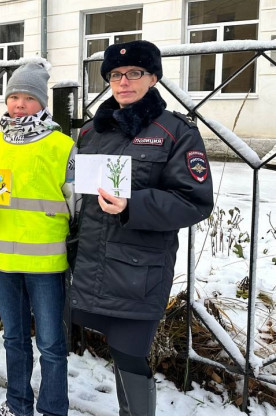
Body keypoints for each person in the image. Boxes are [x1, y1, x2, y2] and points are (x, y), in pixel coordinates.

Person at [69, 40, 214, 416]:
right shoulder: (91, 132)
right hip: (92, 266)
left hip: (139, 270)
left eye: (134, 73)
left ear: (153, 77)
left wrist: (134, 205)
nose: (124, 81)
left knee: (131, 357)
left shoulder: (174, 131)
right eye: (115, 75)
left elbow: (194, 200)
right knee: (116, 354)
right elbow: (79, 195)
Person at [0, 61, 73, 416]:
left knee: (50, 344)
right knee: (14, 340)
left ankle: (53, 410)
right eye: (13, 96)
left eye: (27, 98)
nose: (18, 104)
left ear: (42, 104)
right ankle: (18, 406)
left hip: (45, 261)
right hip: (4, 258)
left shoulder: (62, 145)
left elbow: (75, 202)